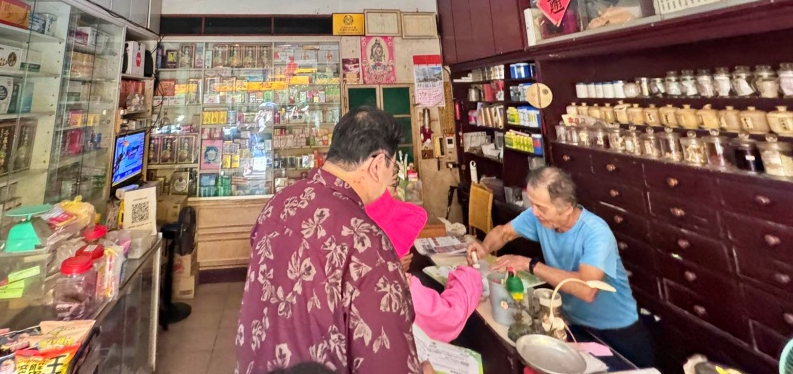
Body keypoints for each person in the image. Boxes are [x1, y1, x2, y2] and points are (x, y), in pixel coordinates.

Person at [235, 106, 424, 374]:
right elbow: (387, 360)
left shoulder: (279, 203)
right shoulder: (366, 242)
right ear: (378, 165)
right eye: (392, 169)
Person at [466, 167, 655, 367]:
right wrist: (484, 247)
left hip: (617, 334)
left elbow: (586, 289)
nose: (534, 212)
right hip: (576, 327)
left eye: (541, 207)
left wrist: (529, 264)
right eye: (533, 204)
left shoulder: (595, 232)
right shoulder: (538, 217)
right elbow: (504, 233)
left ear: (566, 207)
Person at [365, 191, 482, 343]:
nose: (408, 248)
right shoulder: (396, 285)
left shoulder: (361, 271)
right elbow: (449, 317)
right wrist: (469, 274)